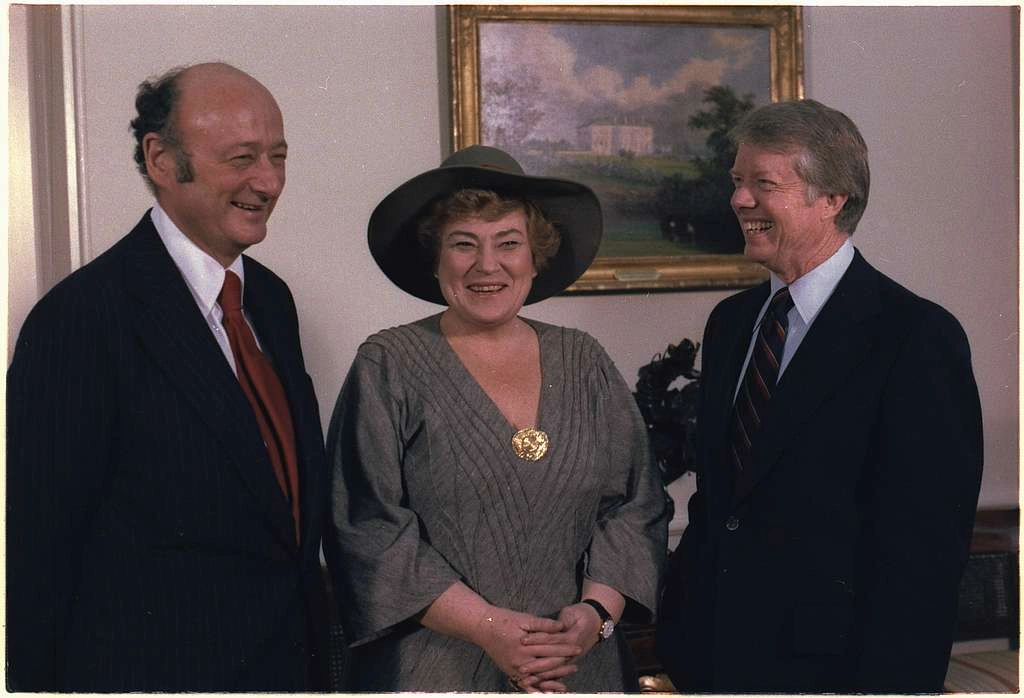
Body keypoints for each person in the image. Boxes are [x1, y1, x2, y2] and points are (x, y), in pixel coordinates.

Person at [6, 62, 329, 691]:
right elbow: (35, 557)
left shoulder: (270, 300)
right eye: (242, 158)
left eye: (278, 156)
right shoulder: (80, 320)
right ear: (160, 159)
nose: (267, 181)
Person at [655, 99, 983, 693]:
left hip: (836, 673)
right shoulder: (731, 323)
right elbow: (721, 502)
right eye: (737, 182)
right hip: (712, 659)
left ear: (832, 199)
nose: (739, 200)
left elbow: (925, 551)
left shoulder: (915, 335)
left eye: (763, 184)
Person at [324, 145, 668, 692]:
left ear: (536, 257)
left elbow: (636, 506)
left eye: (509, 243)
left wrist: (595, 616)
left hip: (575, 670)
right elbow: (368, 527)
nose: (488, 265)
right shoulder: (388, 364)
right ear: (435, 259)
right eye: (464, 244)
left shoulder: (584, 360)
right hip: (436, 671)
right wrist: (489, 629)